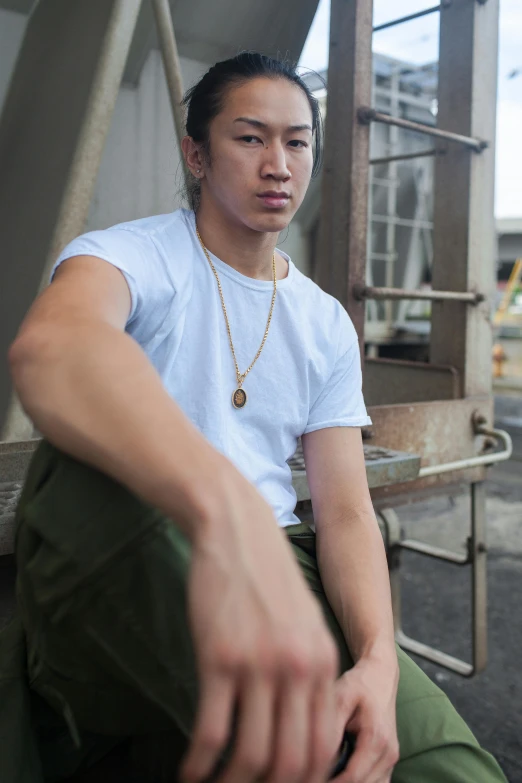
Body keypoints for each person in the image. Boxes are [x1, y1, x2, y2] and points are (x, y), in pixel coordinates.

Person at [0, 52, 507, 783]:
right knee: (297, 746)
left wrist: (376, 660)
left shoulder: (323, 320)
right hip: (138, 540)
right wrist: (225, 510)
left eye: (297, 141)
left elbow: (344, 514)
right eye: (250, 137)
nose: (278, 163)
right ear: (196, 154)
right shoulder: (130, 256)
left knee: (449, 766)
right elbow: (54, 347)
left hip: (282, 552)